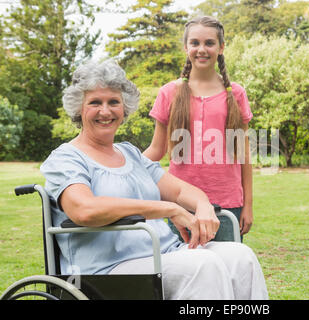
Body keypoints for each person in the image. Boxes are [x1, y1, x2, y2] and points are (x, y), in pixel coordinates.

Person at [40, 59, 268, 300]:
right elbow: (84, 210)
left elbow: (180, 192)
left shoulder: (130, 154)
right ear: (79, 108)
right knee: (202, 264)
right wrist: (166, 209)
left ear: (124, 108)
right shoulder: (66, 158)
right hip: (105, 270)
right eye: (95, 102)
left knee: (241, 258)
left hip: (163, 254)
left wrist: (202, 205)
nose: (105, 111)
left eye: (113, 102)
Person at [144, 16, 253, 242]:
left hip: (227, 204)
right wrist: (122, 163)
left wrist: (247, 206)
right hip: (181, 206)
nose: (201, 49)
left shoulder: (236, 94)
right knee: (185, 271)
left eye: (209, 43)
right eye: (195, 43)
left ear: (221, 47)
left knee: (226, 271)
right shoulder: (169, 93)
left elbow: (243, 154)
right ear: (186, 47)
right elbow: (156, 150)